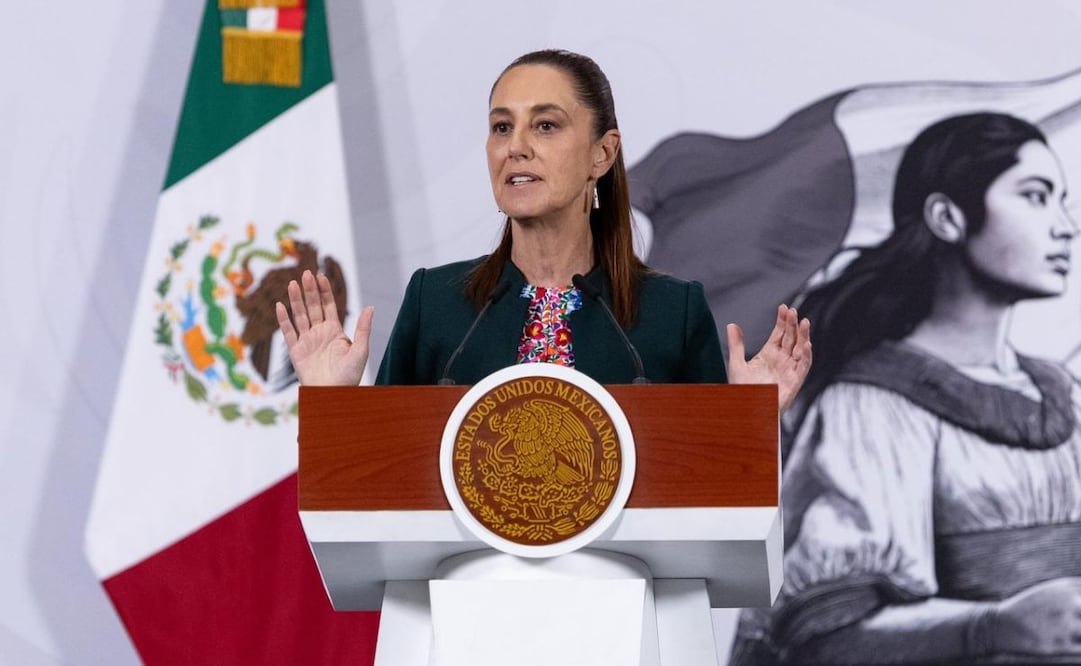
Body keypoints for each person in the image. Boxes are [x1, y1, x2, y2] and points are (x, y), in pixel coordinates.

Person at [731, 112, 1081, 664]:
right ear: (947, 217)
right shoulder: (873, 406)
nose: (1066, 226)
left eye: (1062, 200)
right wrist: (993, 628)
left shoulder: (1063, 393)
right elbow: (822, 633)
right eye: (1036, 197)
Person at [275, 49, 811, 406]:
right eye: (501, 126)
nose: (516, 146)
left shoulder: (674, 312)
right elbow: (375, 490)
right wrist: (329, 403)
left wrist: (750, 425)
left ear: (603, 153)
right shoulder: (433, 303)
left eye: (546, 125)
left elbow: (714, 504)